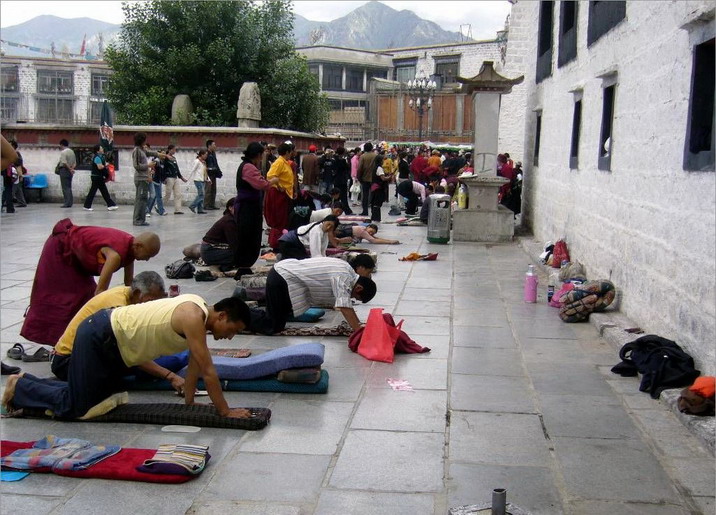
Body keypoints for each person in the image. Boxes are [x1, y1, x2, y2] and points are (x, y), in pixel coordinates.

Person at [3, 296, 253, 420]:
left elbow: (195, 367)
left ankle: (28, 382)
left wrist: (189, 403)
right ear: (221, 316)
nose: (230, 337)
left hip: (112, 344)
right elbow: (209, 372)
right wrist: (225, 411)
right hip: (100, 335)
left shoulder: (198, 315)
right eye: (232, 330)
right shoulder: (192, 315)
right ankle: (21, 386)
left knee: (104, 399)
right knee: (78, 407)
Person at [20, 219, 160, 346]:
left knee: (84, 295)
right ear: (139, 246)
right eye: (147, 255)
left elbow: (129, 283)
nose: (147, 260)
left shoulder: (131, 248)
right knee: (64, 299)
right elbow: (100, 293)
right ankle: (58, 343)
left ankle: (75, 338)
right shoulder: (115, 256)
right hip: (60, 249)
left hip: (77, 260)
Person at [50, 271, 168, 382]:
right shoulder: (118, 307)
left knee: (163, 356)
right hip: (67, 363)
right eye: (150, 301)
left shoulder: (128, 294)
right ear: (137, 293)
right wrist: (169, 376)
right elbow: (130, 352)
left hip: (80, 356)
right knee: (159, 364)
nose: (152, 307)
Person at [252, 257, 377, 335]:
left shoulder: (347, 270)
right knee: (272, 326)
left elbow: (345, 305)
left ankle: (249, 313)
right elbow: (344, 306)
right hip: (283, 276)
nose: (352, 298)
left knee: (277, 320)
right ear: (359, 288)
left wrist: (358, 324)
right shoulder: (343, 276)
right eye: (355, 296)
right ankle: (241, 314)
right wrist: (359, 331)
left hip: (285, 275)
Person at [234, 142, 279, 270]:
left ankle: (245, 264)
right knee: (247, 237)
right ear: (258, 155)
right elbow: (261, 184)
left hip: (252, 207)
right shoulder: (248, 167)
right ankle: (242, 265)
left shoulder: (250, 166)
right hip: (247, 208)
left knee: (252, 236)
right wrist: (272, 182)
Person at [264, 143, 296, 249]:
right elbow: (270, 175)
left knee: (283, 220)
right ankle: (276, 243)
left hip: (284, 194)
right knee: (279, 220)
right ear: (287, 152)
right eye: (290, 152)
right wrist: (278, 185)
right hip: (278, 194)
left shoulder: (284, 162)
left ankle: (281, 241)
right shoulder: (279, 162)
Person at [132, 132, 166, 226]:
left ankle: (141, 219)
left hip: (144, 178)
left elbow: (149, 152)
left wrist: (159, 154)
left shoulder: (142, 149)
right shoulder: (137, 151)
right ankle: (137, 220)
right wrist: (148, 165)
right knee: (140, 199)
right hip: (140, 178)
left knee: (143, 199)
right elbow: (136, 165)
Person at [200, 198, 239, 269]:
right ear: (230, 208)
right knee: (240, 255)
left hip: (210, 250)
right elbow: (234, 243)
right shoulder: (228, 221)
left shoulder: (230, 218)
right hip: (209, 252)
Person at [83, 144, 118, 211]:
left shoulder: (101, 157)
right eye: (101, 148)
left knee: (103, 191)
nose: (102, 149)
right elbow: (99, 167)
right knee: (94, 191)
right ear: (98, 151)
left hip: (99, 177)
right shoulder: (97, 158)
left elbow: (103, 164)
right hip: (96, 177)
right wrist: (105, 166)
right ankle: (87, 206)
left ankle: (110, 204)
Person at [162, 145, 187, 214]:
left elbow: (177, 169)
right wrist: (164, 178)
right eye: (174, 150)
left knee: (178, 194)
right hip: (169, 177)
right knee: (168, 193)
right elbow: (164, 169)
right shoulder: (165, 158)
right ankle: (159, 205)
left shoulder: (174, 158)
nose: (174, 151)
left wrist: (181, 177)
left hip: (175, 177)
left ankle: (178, 209)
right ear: (170, 150)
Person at [370, 153, 392, 222]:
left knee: (374, 203)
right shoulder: (379, 168)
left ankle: (373, 216)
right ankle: (376, 218)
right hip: (378, 187)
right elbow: (383, 178)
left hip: (374, 186)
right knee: (377, 203)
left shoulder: (374, 167)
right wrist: (389, 177)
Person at [187, 149, 209, 214]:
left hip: (202, 180)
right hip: (197, 180)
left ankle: (200, 209)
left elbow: (205, 172)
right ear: (201, 155)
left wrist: (208, 179)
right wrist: (187, 178)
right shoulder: (197, 161)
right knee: (201, 194)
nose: (206, 156)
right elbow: (192, 170)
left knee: (201, 194)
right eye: (205, 155)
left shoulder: (203, 162)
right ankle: (192, 206)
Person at [146, 146, 167, 216]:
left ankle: (148, 209)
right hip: (154, 180)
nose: (164, 155)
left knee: (154, 196)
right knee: (158, 196)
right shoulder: (157, 161)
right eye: (162, 154)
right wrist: (151, 172)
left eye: (164, 154)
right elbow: (152, 166)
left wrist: (163, 179)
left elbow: (162, 172)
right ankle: (161, 210)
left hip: (159, 180)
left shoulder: (162, 162)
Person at [357, 142, 377, 216]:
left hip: (364, 179)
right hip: (374, 179)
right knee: (373, 196)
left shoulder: (363, 156)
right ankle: (374, 211)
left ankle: (365, 211)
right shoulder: (376, 156)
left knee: (365, 196)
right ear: (371, 148)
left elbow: (359, 169)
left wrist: (359, 177)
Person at [57, 138, 76, 208]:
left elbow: (64, 162)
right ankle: (70, 202)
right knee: (69, 186)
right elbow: (75, 162)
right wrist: (72, 169)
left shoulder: (63, 152)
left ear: (62, 145)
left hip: (64, 170)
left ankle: (66, 203)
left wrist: (69, 169)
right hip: (70, 171)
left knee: (65, 187)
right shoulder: (72, 152)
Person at [204, 139, 222, 210]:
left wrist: (219, 171)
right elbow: (204, 163)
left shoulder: (213, 153)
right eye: (214, 145)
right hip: (208, 174)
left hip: (214, 174)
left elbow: (216, 163)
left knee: (213, 190)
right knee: (208, 190)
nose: (215, 146)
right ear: (209, 146)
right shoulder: (206, 153)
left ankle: (212, 204)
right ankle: (206, 205)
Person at [10, 140, 26, 208]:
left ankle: (7, 201)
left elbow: (18, 163)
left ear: (13, 146)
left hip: (16, 173)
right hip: (15, 173)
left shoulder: (16, 153)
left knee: (13, 188)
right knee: (18, 189)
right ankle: (22, 202)